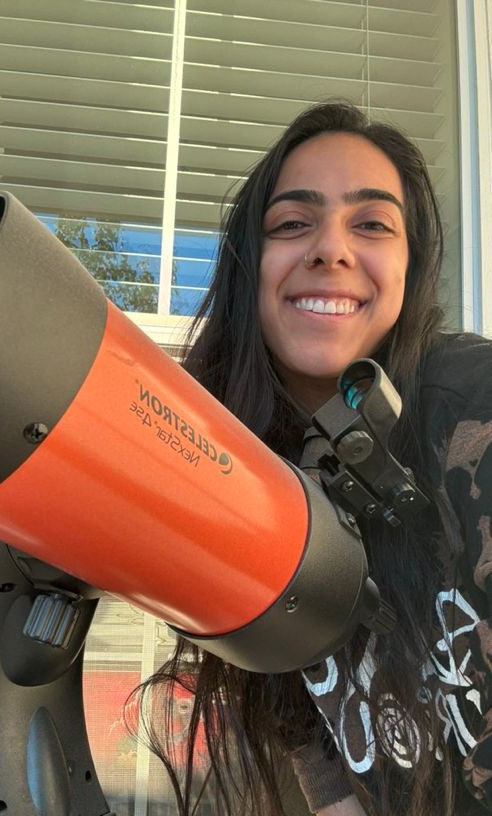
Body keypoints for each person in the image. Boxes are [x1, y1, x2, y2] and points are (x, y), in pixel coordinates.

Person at [131, 102, 492, 815]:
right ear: (248, 269)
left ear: (411, 269)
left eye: (372, 224)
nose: (330, 248)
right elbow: (303, 722)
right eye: (293, 224)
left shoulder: (472, 403)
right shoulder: (236, 482)